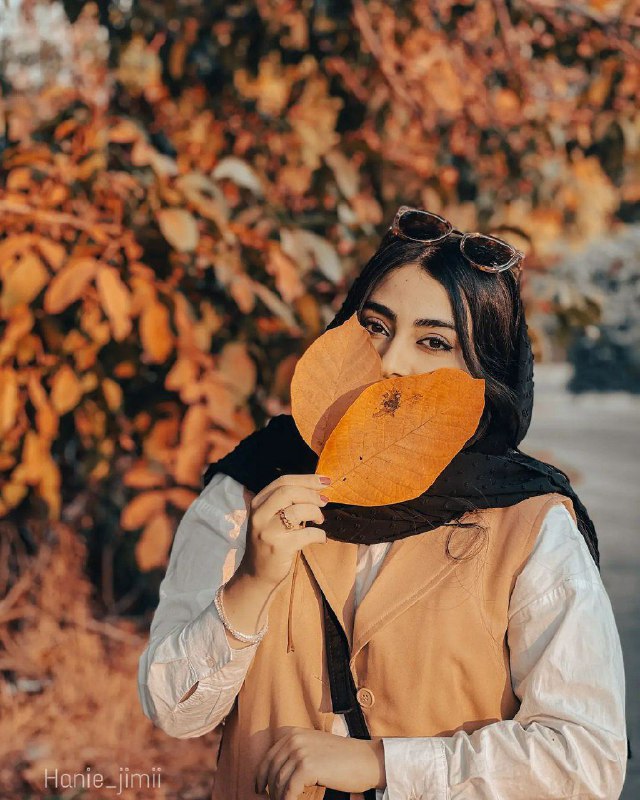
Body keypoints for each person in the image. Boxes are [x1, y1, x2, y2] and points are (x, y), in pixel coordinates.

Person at [137, 207, 628, 800]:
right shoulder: (250, 489)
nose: (393, 362)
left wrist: (386, 764)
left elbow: (586, 761)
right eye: (375, 326)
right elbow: (174, 712)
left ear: (482, 370)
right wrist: (251, 582)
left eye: (434, 341)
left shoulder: (528, 524)